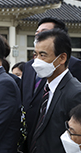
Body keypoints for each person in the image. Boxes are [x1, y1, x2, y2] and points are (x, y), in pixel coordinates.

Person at [21, 17, 81, 152]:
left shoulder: (75, 93)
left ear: (62, 58)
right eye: (35, 54)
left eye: (43, 55)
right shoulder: (45, 88)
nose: (37, 61)